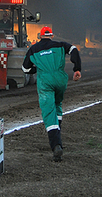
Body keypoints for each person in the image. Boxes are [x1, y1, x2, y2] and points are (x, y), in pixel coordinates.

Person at [22, 26, 81, 162]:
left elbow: (25, 68)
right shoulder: (60, 45)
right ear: (52, 36)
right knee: (57, 105)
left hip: (46, 81)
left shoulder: (34, 49)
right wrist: (77, 69)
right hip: (60, 79)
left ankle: (56, 146)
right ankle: (58, 134)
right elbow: (74, 50)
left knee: (49, 112)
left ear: (40, 36)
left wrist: (38, 69)